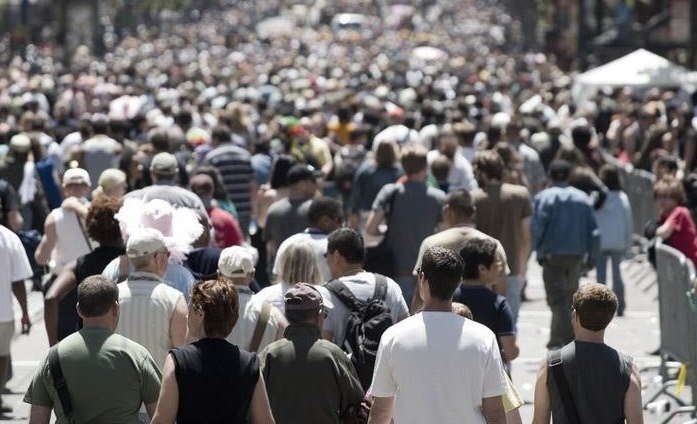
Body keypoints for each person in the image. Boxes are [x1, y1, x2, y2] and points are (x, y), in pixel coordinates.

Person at [368, 247, 507, 424]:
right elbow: (495, 413)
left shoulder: (394, 337)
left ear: (422, 279)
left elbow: (380, 412)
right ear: (459, 282)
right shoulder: (484, 338)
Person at [24, 275, 162, 423]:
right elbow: (161, 415)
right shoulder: (137, 355)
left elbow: (37, 419)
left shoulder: (52, 358)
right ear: (115, 308)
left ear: (78, 310)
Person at [150, 279, 275, 424]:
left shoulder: (177, 360)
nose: (186, 315)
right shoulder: (250, 364)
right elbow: (264, 421)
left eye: (190, 308)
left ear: (200, 314)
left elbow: (162, 420)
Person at [532, 284, 643, 424]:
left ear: (575, 315)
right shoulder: (628, 369)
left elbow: (540, 421)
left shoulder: (551, 365)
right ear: (610, 319)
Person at [258, 283, 364, 424]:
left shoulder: (269, 355)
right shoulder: (334, 355)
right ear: (318, 316)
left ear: (286, 315)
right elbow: (356, 405)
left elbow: (253, 403)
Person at [531, 160, 598, 349]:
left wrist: (538, 250)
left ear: (550, 176)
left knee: (556, 299)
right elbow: (594, 231)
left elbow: (537, 228)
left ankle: (564, 338)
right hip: (576, 255)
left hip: (552, 256)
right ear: (569, 176)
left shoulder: (543, 198)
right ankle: (562, 336)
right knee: (570, 297)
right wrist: (591, 256)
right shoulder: (582, 198)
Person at [366, 145, 445, 303]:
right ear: (425, 167)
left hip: (394, 270)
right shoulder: (439, 197)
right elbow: (443, 233)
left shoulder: (390, 191)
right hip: (427, 274)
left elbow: (370, 228)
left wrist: (388, 230)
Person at [410, 189, 509, 312]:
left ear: (447, 211)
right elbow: (500, 288)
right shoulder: (493, 245)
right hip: (484, 318)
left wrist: (413, 319)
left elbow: (420, 288)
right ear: (473, 212)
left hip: (439, 319)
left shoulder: (432, 243)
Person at [44, 195, 125, 345]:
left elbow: (50, 299)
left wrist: (53, 344)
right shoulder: (132, 260)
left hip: (87, 346)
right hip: (124, 341)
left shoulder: (80, 264)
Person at [471, 150, 532, 323]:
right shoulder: (520, 195)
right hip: (511, 267)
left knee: (482, 320)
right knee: (509, 321)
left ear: (481, 172)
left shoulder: (473, 197)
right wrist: (522, 269)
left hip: (480, 271)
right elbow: (525, 237)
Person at [115, 228, 188, 368]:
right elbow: (182, 355)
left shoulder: (112, 296)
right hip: (161, 388)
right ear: (159, 258)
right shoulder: (175, 300)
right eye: (168, 254)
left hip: (120, 387)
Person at [323, 227, 409, 345]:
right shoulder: (390, 286)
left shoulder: (326, 294)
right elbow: (406, 331)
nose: (326, 260)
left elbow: (324, 343)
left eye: (326, 255)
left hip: (345, 363)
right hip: (385, 362)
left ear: (336, 256)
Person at [453, 238, 519, 363]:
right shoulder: (499, 304)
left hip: (456, 367)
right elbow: (511, 352)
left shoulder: (449, 298)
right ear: (482, 269)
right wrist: (516, 349)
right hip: (487, 370)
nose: (500, 269)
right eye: (498, 265)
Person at [218, 245, 286, 353]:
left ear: (219, 274)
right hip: (258, 369)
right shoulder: (272, 314)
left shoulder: (206, 309)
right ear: (252, 274)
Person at [35, 168, 94, 281]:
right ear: (89, 187)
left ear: (64, 188)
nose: (76, 187)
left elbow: (42, 258)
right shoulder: (99, 212)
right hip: (95, 277)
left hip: (66, 281)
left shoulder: (54, 217)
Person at [0, 224, 32, 414]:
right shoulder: (9, 238)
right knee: (1, 357)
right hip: (3, 313)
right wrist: (25, 312)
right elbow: (18, 281)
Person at [272, 197, 343, 282]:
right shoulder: (334, 245)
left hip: (287, 295)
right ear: (325, 220)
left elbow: (277, 278)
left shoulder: (287, 243)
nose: (342, 225)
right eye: (339, 220)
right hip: (323, 295)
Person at [203, 124, 257, 235]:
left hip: (222, 210)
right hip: (244, 208)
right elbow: (253, 185)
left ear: (216, 138)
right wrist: (253, 209)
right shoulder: (246, 155)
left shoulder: (212, 157)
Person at [594, 165, 633, 316]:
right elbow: (628, 221)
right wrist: (629, 246)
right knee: (618, 276)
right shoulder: (622, 197)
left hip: (601, 241)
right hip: (618, 241)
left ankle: (599, 307)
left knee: (600, 276)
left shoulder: (598, 197)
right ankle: (620, 305)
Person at [124, 152, 208, 216]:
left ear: (151, 172)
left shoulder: (132, 198)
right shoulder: (191, 199)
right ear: (176, 174)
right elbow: (208, 230)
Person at [264, 164, 317, 261]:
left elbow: (270, 246)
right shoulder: (316, 209)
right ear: (302, 184)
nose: (316, 185)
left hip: (282, 270)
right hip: (309, 271)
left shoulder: (273, 210)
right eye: (313, 181)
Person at [190, 173, 244, 248]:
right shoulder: (226, 218)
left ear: (190, 192)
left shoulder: (185, 219)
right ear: (212, 191)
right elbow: (238, 247)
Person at [653, 176, 697, 267]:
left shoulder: (679, 212)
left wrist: (654, 230)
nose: (661, 200)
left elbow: (663, 232)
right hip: (684, 267)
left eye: (665, 196)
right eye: (658, 195)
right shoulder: (665, 215)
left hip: (693, 265)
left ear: (675, 198)